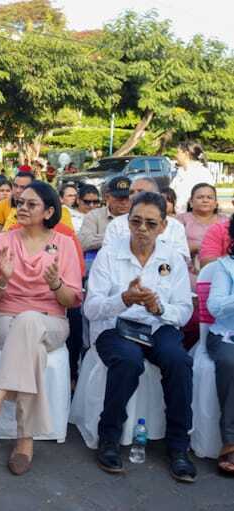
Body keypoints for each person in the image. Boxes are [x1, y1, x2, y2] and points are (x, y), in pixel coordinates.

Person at [0, 181, 82, 475]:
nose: (22, 208)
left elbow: (71, 300)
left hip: (51, 321)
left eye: (31, 204)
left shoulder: (65, 244)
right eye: (20, 202)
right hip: (4, 319)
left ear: (48, 212)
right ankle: (25, 439)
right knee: (27, 332)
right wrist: (4, 279)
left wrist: (56, 283)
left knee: (30, 321)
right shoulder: (3, 242)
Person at [84, 191, 195, 481]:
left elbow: (184, 311)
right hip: (116, 327)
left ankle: (178, 446)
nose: (142, 229)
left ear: (163, 226)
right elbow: (92, 308)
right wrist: (124, 298)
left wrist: (158, 306)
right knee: (128, 360)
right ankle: (109, 438)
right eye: (136, 222)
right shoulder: (110, 253)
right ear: (127, 222)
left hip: (158, 326)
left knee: (178, 361)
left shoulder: (172, 258)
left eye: (150, 223)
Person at [103, 178, 190, 261]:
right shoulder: (116, 224)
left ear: (156, 194)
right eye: (131, 192)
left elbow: (181, 257)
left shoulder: (174, 226)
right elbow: (107, 255)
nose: (135, 195)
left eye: (141, 191)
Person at [207, 230, 234, 475]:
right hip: (225, 334)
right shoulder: (225, 267)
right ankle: (230, 439)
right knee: (230, 362)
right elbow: (214, 307)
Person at [176, 183, 226, 285]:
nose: (205, 200)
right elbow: (172, 247)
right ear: (191, 202)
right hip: (186, 271)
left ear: (216, 203)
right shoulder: (180, 220)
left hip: (221, 270)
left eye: (209, 197)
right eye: (200, 197)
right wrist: (201, 247)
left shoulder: (226, 221)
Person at [79, 176, 132, 252]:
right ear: (107, 197)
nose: (123, 202)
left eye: (127, 198)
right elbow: (83, 242)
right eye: (119, 198)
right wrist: (118, 236)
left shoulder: (139, 217)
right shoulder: (94, 216)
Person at [171, 141, 214, 214]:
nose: (176, 155)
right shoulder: (181, 172)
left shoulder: (201, 173)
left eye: (178, 152)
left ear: (186, 154)